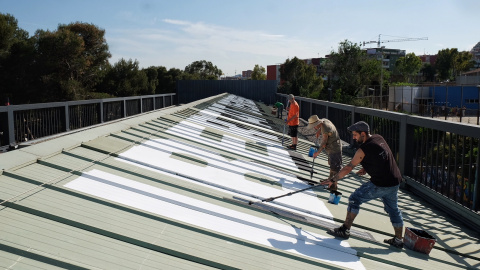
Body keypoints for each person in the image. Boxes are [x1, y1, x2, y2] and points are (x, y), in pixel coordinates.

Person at [320, 121, 404, 248]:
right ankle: (398, 239)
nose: (353, 137)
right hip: (395, 181)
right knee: (393, 210)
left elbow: (348, 167)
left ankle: (345, 230)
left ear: (363, 134)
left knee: (355, 199)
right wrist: (367, 168)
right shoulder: (378, 138)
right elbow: (383, 157)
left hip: (381, 184)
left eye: (355, 135)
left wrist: (333, 179)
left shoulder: (363, 149)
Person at [306, 115, 342, 191]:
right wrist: (319, 131)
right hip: (332, 147)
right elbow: (324, 129)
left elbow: (324, 143)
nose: (314, 128)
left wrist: (317, 152)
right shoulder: (323, 121)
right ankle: (330, 179)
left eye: (314, 126)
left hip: (334, 148)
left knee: (335, 168)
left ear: (317, 124)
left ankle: (333, 186)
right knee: (332, 165)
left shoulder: (325, 128)